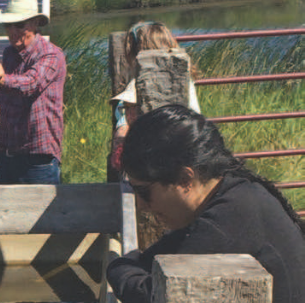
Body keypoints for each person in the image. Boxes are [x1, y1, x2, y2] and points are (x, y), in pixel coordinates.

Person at [107, 105, 305, 303]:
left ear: (185, 179)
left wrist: (118, 268)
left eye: (143, 192)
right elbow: (153, 262)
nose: (140, 205)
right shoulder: (233, 192)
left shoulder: (232, 217)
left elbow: (155, 295)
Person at [0, 0, 66, 185]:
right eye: (8, 25)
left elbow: (30, 84)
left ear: (35, 24)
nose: (12, 30)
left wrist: (1, 79)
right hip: (7, 155)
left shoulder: (51, 55)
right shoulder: (9, 54)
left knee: (42, 215)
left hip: (38, 158)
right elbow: (9, 98)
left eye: (19, 25)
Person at [109, 21, 201, 170]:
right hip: (185, 145)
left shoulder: (138, 84)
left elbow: (124, 118)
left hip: (149, 156)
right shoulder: (183, 79)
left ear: (135, 53)